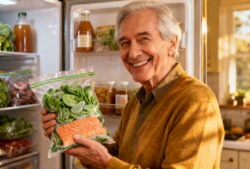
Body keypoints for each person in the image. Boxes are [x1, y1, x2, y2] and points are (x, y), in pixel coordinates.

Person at [41, 1, 225, 168]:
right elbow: (116, 155)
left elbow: (109, 162)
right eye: (124, 42)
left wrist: (106, 164)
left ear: (171, 44)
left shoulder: (196, 102)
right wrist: (70, 135)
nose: (133, 53)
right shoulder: (136, 100)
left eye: (144, 38)